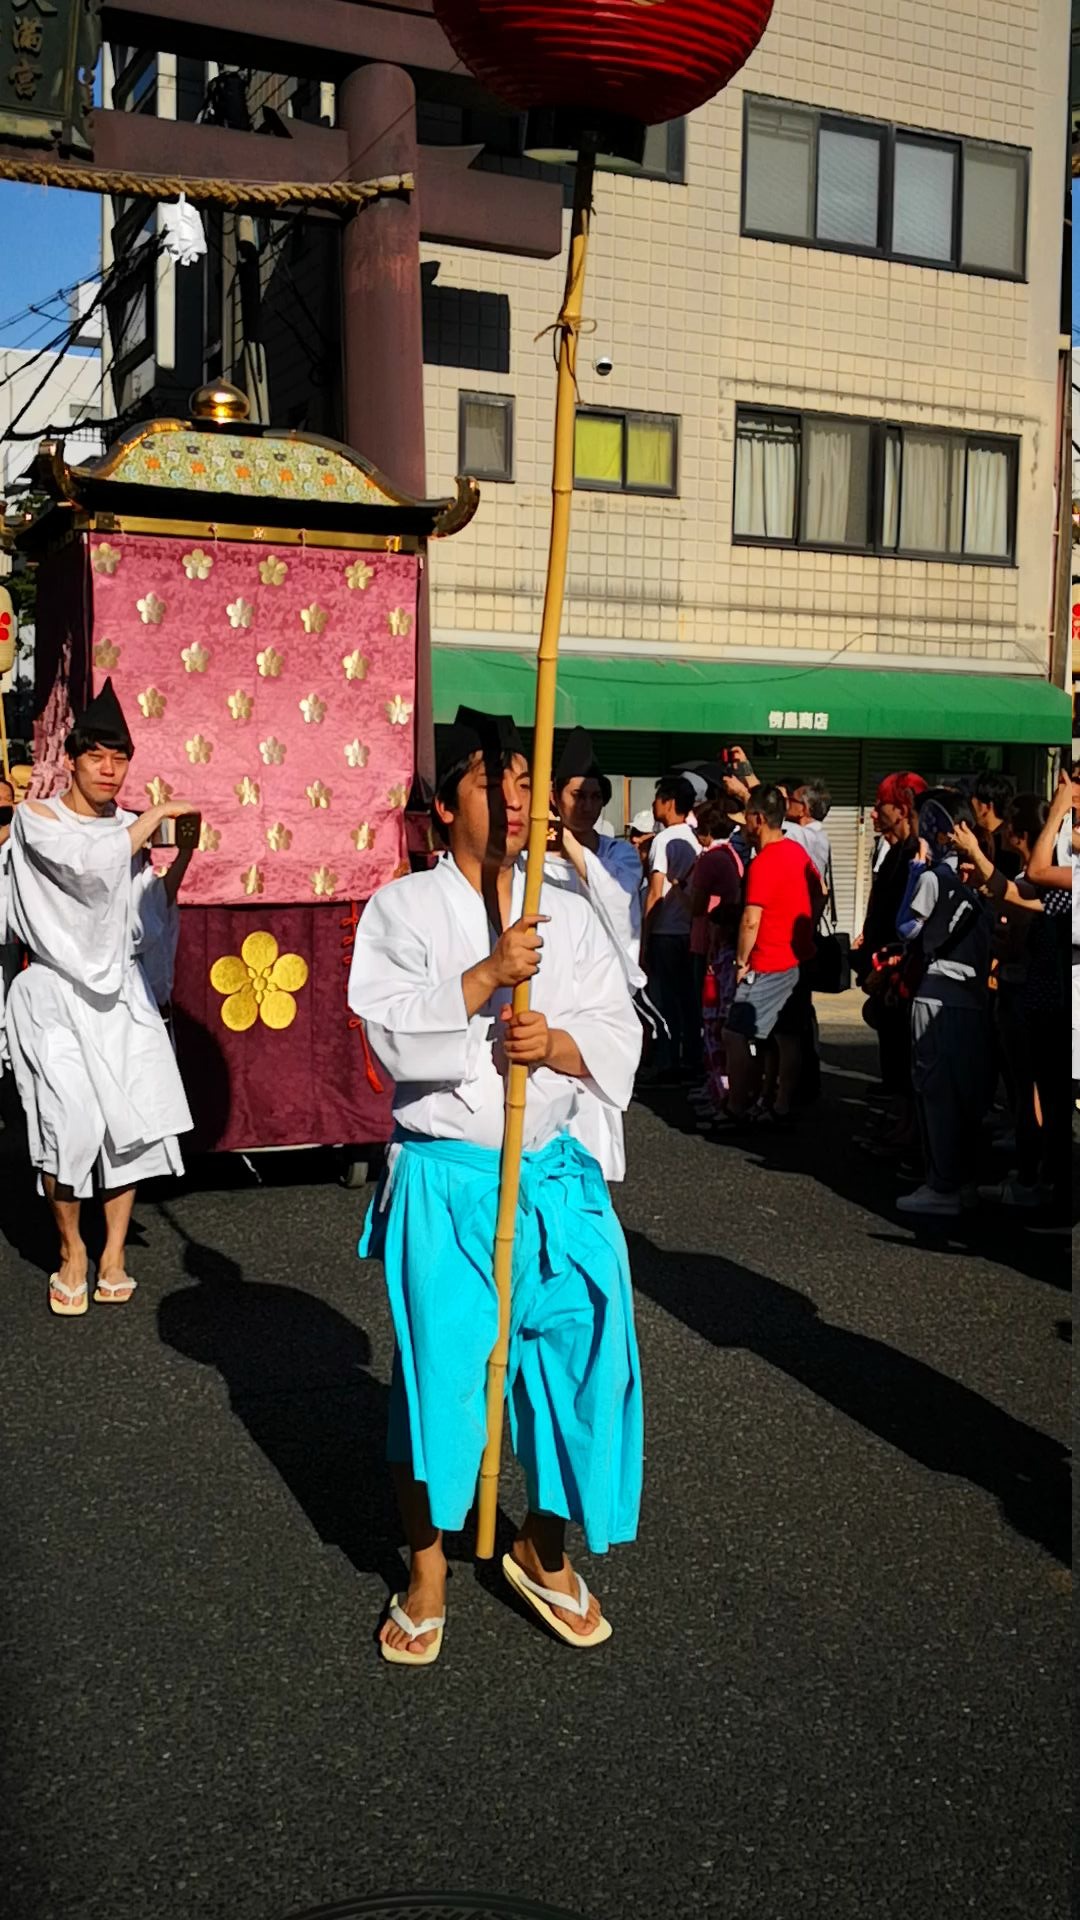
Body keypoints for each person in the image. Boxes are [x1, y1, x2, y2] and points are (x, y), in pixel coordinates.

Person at [348, 706, 643, 1665]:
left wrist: (555, 1042)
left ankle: (539, 1546)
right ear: (445, 805)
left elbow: (617, 1030)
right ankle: (428, 1568)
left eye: (524, 782)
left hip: (554, 1177)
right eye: (492, 782)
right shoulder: (403, 908)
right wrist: (485, 976)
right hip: (449, 1186)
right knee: (440, 1386)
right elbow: (388, 1035)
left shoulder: (567, 905)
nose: (517, 799)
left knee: (585, 1358)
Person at [2, 680, 198, 1314]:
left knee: (128, 1123)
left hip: (119, 994)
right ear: (72, 759)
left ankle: (112, 1253)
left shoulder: (127, 831)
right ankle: (72, 1250)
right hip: (54, 991)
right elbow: (85, 867)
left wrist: (181, 860)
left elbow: (143, 916)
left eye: (120, 758)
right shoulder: (38, 820)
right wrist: (150, 820)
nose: (110, 770)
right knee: (71, 1122)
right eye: (97, 757)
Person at [545, 726, 646, 1180]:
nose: (585, 806)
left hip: (599, 997)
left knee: (594, 1102)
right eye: (576, 796)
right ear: (554, 797)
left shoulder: (619, 854)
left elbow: (619, 905)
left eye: (594, 797)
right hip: (550, 992)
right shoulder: (532, 859)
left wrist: (567, 843)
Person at [895, 792, 991, 1217]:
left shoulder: (934, 878)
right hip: (974, 997)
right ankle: (963, 1180)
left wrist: (915, 872)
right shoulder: (984, 877)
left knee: (935, 1093)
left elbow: (906, 927)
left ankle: (941, 1185)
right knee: (967, 1095)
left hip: (937, 993)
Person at [720, 785, 823, 1128]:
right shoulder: (797, 851)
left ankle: (737, 1107)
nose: (744, 825)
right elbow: (820, 892)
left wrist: (740, 961)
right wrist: (805, 929)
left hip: (769, 961)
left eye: (747, 817)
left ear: (758, 819)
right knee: (786, 1037)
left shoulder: (764, 862)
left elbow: (751, 919)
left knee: (736, 1033)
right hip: (799, 958)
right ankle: (780, 1103)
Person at [686, 801, 744, 1120]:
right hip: (725, 945)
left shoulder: (710, 859)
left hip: (709, 943)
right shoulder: (733, 855)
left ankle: (718, 1089)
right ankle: (717, 1087)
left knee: (710, 1024)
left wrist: (678, 891)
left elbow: (696, 906)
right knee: (720, 1020)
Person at [641, 774, 701, 1080]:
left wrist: (644, 936)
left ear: (669, 803)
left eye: (658, 798)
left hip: (664, 931)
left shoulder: (663, 841)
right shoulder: (694, 839)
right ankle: (691, 1059)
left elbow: (655, 892)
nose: (654, 805)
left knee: (662, 1000)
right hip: (689, 931)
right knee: (687, 1000)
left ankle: (666, 1062)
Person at [970, 772, 1020, 878]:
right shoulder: (982, 836)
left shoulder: (1009, 844)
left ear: (987, 806)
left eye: (972, 797)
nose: (969, 803)